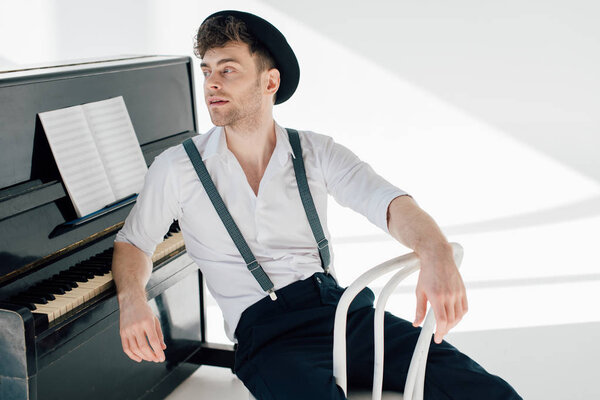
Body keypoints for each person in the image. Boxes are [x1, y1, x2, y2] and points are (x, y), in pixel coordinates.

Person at [111, 9, 522, 400]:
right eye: (207, 71)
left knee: (481, 388)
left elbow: (390, 203)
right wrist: (133, 299)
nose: (211, 84)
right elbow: (134, 243)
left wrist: (437, 251)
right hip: (267, 335)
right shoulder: (177, 167)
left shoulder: (315, 151)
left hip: (345, 312)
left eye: (228, 70)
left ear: (269, 83)